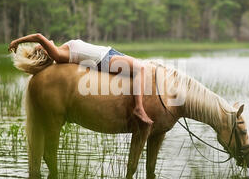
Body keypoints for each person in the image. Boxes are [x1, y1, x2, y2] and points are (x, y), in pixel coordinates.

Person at [8, 33, 153, 125]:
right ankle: (139, 108)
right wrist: (17, 41)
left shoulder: (60, 50)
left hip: (108, 52)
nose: (44, 41)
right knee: (140, 69)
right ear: (45, 51)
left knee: (142, 66)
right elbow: (39, 36)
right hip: (103, 60)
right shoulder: (57, 54)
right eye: (41, 46)